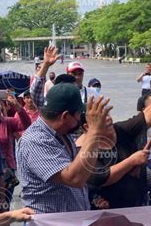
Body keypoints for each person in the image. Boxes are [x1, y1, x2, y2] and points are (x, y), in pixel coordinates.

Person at [86, 80, 151, 209]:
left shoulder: (122, 129)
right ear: (87, 127)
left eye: (107, 114)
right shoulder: (84, 146)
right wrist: (131, 161)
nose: (107, 119)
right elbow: (101, 177)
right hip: (106, 210)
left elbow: (147, 115)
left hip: (138, 204)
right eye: (99, 118)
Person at [16, 80, 112, 213]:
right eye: (80, 114)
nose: (81, 118)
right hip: (48, 225)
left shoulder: (63, 134)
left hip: (72, 221)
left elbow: (82, 172)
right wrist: (94, 130)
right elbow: (74, 179)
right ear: (65, 116)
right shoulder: (34, 141)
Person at [0, 89, 32, 206]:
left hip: (7, 171)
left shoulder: (8, 122)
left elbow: (27, 124)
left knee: (4, 206)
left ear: (2, 104)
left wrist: (17, 106)